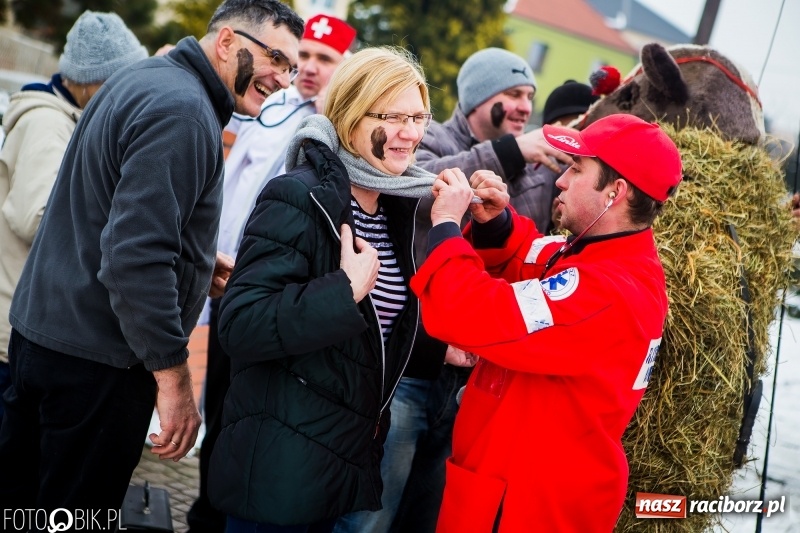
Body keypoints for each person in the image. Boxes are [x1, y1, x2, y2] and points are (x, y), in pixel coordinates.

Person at [0, 0, 304, 516]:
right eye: (276, 58)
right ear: (227, 42)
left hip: (45, 343)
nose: (283, 79)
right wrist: (174, 378)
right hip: (96, 366)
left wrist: (196, 264)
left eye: (291, 67)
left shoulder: (147, 79)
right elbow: (134, 256)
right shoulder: (183, 110)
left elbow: (107, 215)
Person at [208, 46, 465, 532]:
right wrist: (342, 290)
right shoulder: (300, 195)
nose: (409, 132)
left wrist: (440, 350)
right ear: (349, 115)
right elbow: (241, 324)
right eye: (389, 114)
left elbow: (370, 340)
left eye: (417, 116)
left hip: (338, 474)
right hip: (279, 474)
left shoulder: (396, 209)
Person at [410, 113, 683, 532]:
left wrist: (446, 224)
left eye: (575, 169)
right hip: (505, 491)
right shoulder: (597, 252)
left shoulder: (611, 292)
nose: (559, 180)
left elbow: (476, 314)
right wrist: (495, 223)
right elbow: (532, 257)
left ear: (616, 192)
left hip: (524, 508)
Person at [387, 61, 597, 533]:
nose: (526, 106)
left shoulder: (544, 171)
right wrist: (510, 153)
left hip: (478, 370)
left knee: (429, 510)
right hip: (412, 363)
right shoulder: (432, 140)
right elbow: (410, 186)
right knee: (375, 509)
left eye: (530, 95)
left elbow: (539, 247)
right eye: (515, 93)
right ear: (480, 96)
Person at [186, 14, 357, 533]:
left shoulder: (340, 136)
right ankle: (204, 513)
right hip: (230, 281)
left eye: (323, 60)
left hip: (283, 298)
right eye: (302, 56)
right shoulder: (271, 105)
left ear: (345, 66)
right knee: (218, 408)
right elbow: (229, 174)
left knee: (250, 413)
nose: (307, 68)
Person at [0, 10, 148, 428]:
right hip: (17, 322)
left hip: (31, 318)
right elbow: (39, 218)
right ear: (87, 80)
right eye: (117, 81)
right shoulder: (48, 124)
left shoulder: (73, 120)